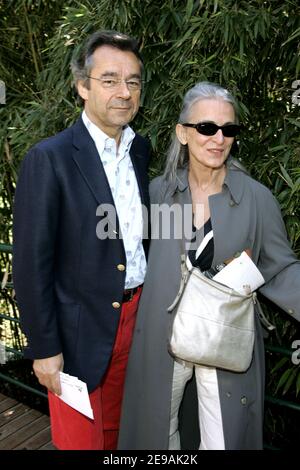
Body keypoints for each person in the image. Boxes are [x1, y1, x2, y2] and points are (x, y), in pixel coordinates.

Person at [118, 81, 300, 450]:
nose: (219, 138)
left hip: (225, 338)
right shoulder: (157, 194)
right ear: (182, 133)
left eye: (228, 129)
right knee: (156, 435)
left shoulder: (254, 199)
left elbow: (280, 268)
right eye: (206, 128)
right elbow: (125, 260)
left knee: (224, 440)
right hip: (162, 339)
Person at [12, 30, 150, 450]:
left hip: (137, 321)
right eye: (109, 80)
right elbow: (30, 264)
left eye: (134, 81)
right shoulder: (49, 158)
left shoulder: (140, 150)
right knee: (81, 443)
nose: (124, 92)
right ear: (82, 86)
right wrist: (45, 347)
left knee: (123, 437)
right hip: (77, 333)